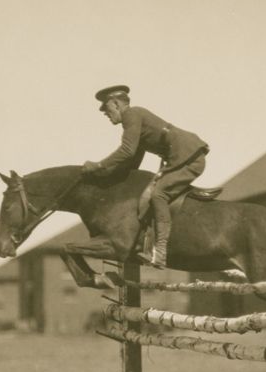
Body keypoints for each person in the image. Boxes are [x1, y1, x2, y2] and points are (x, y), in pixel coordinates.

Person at [80, 85, 209, 268]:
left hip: (188, 157)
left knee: (159, 194)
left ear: (116, 104)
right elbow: (132, 161)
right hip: (181, 157)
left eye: (107, 109)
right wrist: (108, 177)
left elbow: (126, 151)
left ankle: (161, 250)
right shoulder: (135, 119)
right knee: (148, 192)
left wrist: (98, 165)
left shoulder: (131, 115)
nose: (106, 114)